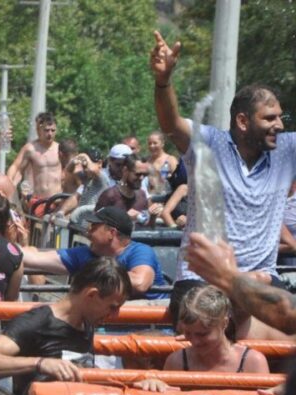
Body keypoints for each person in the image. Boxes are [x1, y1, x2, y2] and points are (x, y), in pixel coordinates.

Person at [150, 31, 296, 324]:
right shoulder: (209, 144)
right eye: (269, 118)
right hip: (201, 281)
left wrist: (250, 279)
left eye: (280, 117)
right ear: (242, 121)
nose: (278, 125)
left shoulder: (287, 150)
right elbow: (172, 122)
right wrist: (163, 81)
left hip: (261, 280)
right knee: (210, 324)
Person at [0, 257, 131, 395]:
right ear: (92, 295)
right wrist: (40, 363)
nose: (115, 315)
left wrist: (135, 384)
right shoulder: (38, 321)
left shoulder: (87, 323)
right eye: (112, 307)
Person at [134, 286, 269, 392]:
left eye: (203, 334)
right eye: (188, 333)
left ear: (224, 323)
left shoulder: (253, 362)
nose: (194, 341)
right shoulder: (176, 361)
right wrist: (154, 385)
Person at [21, 207, 166, 299]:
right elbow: (36, 259)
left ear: (111, 233)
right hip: (105, 327)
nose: (87, 232)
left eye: (94, 227)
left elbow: (140, 283)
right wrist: (3, 246)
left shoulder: (140, 251)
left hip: (147, 327)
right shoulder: (85, 253)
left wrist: (97, 269)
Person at [6, 112, 62, 215]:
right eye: (46, 130)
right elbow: (16, 168)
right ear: (39, 130)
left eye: (52, 130)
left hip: (57, 201)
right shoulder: (30, 148)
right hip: (39, 202)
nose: (50, 134)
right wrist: (9, 184)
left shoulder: (60, 149)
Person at [94, 154, 156, 226]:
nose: (141, 178)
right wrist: (125, 218)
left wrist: (153, 217)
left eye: (144, 174)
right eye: (138, 174)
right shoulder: (110, 195)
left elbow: (146, 228)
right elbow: (95, 225)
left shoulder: (142, 195)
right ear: (125, 171)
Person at [58, 149, 111, 223]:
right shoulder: (87, 179)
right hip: (81, 224)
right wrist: (61, 212)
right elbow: (69, 170)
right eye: (84, 165)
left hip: (94, 224)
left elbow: (93, 169)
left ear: (100, 163)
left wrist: (85, 157)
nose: (86, 168)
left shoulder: (103, 177)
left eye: (87, 164)